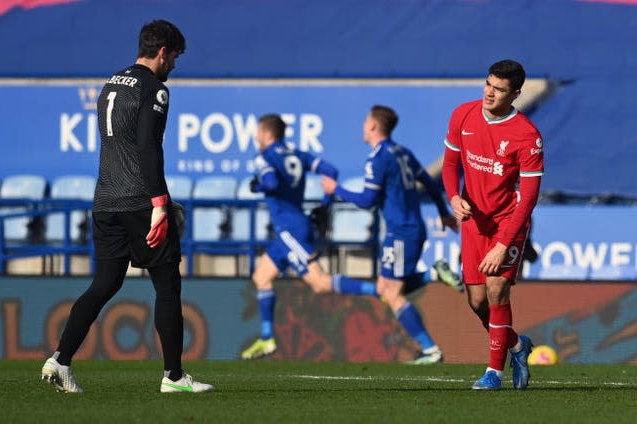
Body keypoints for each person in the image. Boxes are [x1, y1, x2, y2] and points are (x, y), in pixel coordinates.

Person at [41, 20, 213, 394]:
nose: (175, 67)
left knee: (104, 283)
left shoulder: (110, 83)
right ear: (163, 52)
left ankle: (60, 359)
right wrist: (160, 203)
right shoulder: (156, 89)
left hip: (105, 200)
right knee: (167, 286)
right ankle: (173, 377)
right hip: (139, 200)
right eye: (175, 57)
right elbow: (149, 147)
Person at [322, 105, 460, 364]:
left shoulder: (378, 157)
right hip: (412, 228)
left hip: (400, 233)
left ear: (373, 126)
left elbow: (366, 200)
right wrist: (442, 212)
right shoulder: (402, 152)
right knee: (386, 288)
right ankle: (434, 274)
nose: (363, 126)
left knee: (392, 294)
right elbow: (430, 182)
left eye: (365, 121)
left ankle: (430, 350)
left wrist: (335, 188)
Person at [240, 114, 379, 360]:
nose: (256, 137)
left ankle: (378, 290)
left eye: (259, 133)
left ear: (268, 135)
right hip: (290, 229)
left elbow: (270, 182)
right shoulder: (297, 155)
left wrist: (257, 186)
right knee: (261, 276)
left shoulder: (265, 157)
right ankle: (266, 337)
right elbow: (331, 170)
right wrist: (325, 205)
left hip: (289, 231)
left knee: (320, 283)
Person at [441, 59, 543, 390]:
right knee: (477, 302)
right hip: (473, 222)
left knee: (496, 289)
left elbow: (527, 199)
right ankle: (516, 345)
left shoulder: (527, 136)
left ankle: (493, 373)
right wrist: (454, 198)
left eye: (499, 89)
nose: (489, 92)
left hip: (507, 222)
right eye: (488, 84)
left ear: (515, 94)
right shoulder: (463, 115)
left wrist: (503, 245)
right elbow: (450, 164)